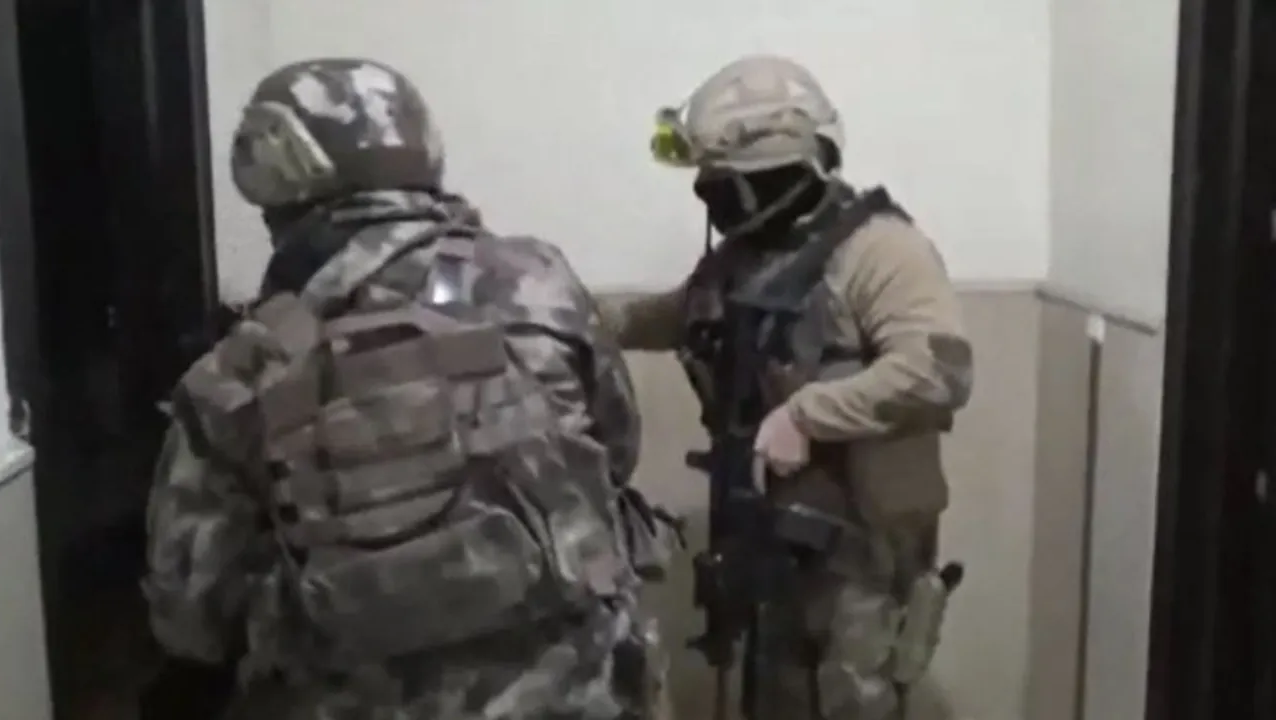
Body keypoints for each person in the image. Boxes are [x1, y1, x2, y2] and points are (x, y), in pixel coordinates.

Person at [143, 58, 671, 719]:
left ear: (268, 175)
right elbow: (617, 449)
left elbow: (191, 615)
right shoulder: (538, 282)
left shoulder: (237, 374)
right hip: (583, 696)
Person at [598, 55, 974, 720]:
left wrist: (807, 414)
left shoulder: (881, 250)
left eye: (723, 185)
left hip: (861, 556)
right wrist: (569, 314)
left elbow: (939, 371)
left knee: (849, 704)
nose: (711, 201)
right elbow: (678, 313)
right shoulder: (749, 256)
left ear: (773, 176)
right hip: (772, 542)